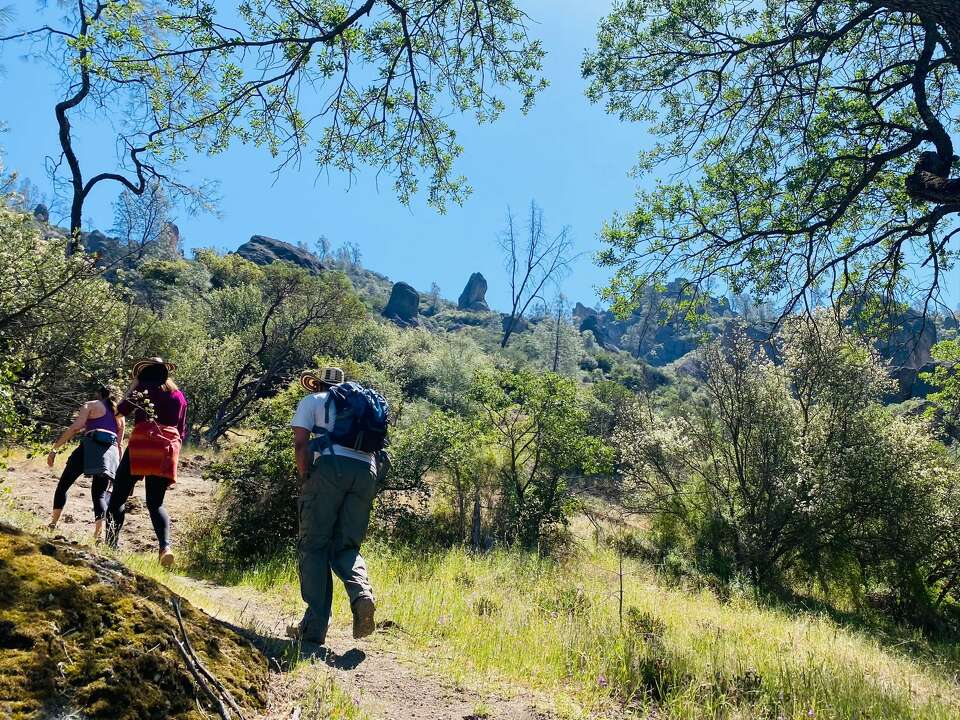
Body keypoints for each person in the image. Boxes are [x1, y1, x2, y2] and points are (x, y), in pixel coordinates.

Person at [289, 367, 378, 646]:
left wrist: (305, 476)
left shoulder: (313, 401)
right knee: (346, 546)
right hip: (367, 471)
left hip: (329, 469)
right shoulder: (360, 407)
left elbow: (301, 445)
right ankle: (362, 594)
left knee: (313, 546)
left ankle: (314, 628)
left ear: (317, 384)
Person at [106, 357, 187, 567]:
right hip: (167, 448)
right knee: (156, 502)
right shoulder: (179, 396)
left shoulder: (143, 389)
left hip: (142, 445)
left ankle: (110, 545)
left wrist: (132, 388)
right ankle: (165, 548)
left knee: (118, 497)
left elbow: (121, 411)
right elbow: (182, 430)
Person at [46, 385, 124, 542]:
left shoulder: (91, 404)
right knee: (99, 494)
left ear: (99, 393)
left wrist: (55, 448)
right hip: (110, 454)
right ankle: (97, 534)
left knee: (64, 485)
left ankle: (53, 523)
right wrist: (118, 469)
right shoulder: (120, 415)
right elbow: (120, 445)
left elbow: (75, 428)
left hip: (88, 449)